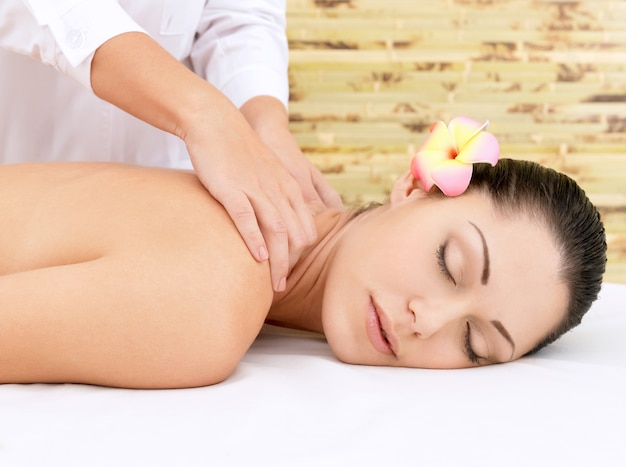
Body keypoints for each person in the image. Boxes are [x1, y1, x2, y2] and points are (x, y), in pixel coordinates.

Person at [0, 118, 607, 387]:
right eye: (451, 265)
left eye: (475, 345)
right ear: (414, 187)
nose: (429, 321)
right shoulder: (214, 298)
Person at [0, 0, 343, 293]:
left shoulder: (207, 276)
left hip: (156, 197)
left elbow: (240, 17)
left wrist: (265, 128)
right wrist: (203, 115)